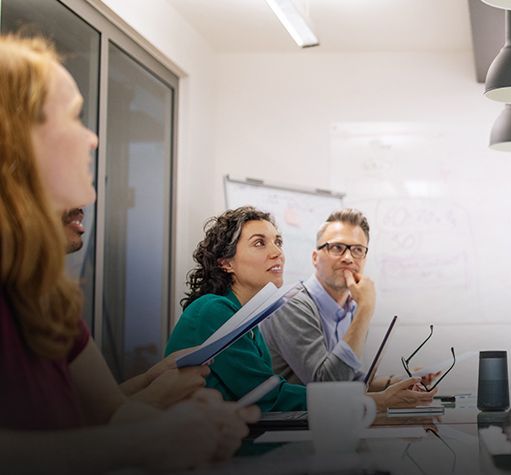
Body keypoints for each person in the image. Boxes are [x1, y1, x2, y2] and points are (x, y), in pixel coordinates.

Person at [0, 33, 253, 472]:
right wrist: (145, 441)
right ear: (13, 141)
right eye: (74, 118)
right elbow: (124, 436)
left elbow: (113, 413)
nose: (93, 140)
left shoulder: (47, 298)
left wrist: (198, 426)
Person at [169, 207, 434, 412]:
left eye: (278, 242)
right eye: (260, 243)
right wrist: (375, 401)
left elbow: (271, 392)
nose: (277, 253)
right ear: (226, 262)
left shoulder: (247, 319)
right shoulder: (213, 311)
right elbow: (269, 397)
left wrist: (388, 388)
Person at [260, 209, 388, 387]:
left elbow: (350, 380)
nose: (348, 258)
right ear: (315, 258)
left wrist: (393, 384)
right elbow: (326, 385)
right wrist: (365, 310)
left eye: (358, 250)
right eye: (337, 248)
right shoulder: (290, 304)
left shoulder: (352, 307)